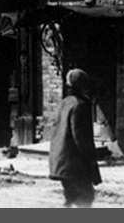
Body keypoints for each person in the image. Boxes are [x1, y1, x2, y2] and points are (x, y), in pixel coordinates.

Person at [48, 68, 102, 207]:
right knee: (86, 197)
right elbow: (81, 138)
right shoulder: (80, 105)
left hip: (61, 161)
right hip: (75, 163)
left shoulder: (63, 103)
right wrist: (90, 161)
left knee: (71, 197)